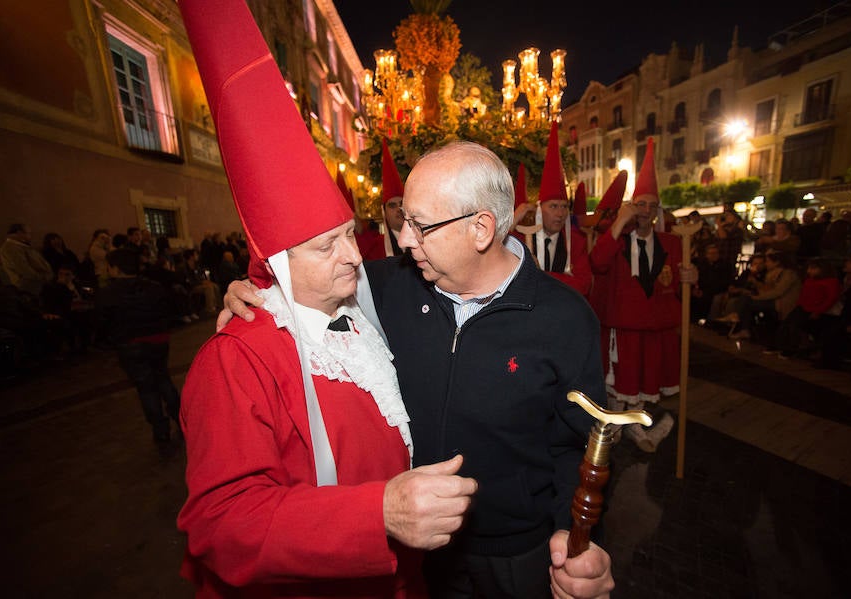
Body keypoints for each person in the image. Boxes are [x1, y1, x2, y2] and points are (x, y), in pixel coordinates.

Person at [223, 141, 616, 599]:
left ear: (481, 228)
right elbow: (307, 276)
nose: (405, 239)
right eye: (404, 220)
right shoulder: (385, 287)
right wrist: (259, 291)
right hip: (416, 551)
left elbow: (581, 445)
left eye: (420, 225)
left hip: (518, 553)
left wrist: (572, 534)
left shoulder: (565, 318)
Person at [177, 1, 476, 596]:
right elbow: (220, 523)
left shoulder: (362, 309)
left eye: (347, 235)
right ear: (279, 267)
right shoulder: (236, 360)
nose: (350, 256)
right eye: (324, 248)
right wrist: (378, 515)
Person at [589, 137, 695, 453]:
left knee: (644, 382)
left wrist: (691, 278)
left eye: (651, 205)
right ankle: (614, 423)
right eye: (640, 204)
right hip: (622, 326)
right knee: (619, 381)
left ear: (658, 210)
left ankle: (634, 424)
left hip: (656, 327)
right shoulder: (618, 239)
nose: (646, 211)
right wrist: (620, 222)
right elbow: (598, 263)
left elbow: (676, 283)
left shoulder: (674, 244)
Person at [94, 249, 181, 453]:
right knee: (163, 379)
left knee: (147, 388)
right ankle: (181, 419)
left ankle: (161, 430)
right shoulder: (154, 288)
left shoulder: (108, 293)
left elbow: (100, 322)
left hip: (130, 345)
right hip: (158, 341)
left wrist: (111, 340)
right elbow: (169, 309)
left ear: (115, 268)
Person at [512, 121, 592, 297]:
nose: (561, 213)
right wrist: (514, 220)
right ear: (539, 209)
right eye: (554, 206)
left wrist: (539, 275)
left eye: (564, 207)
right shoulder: (523, 238)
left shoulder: (577, 242)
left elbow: (582, 285)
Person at [1, 223, 54, 297]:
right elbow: (24, 270)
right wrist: (44, 278)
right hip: (31, 288)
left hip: (38, 285)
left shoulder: (22, 246)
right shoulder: (10, 249)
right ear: (19, 233)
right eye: (28, 233)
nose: (30, 236)